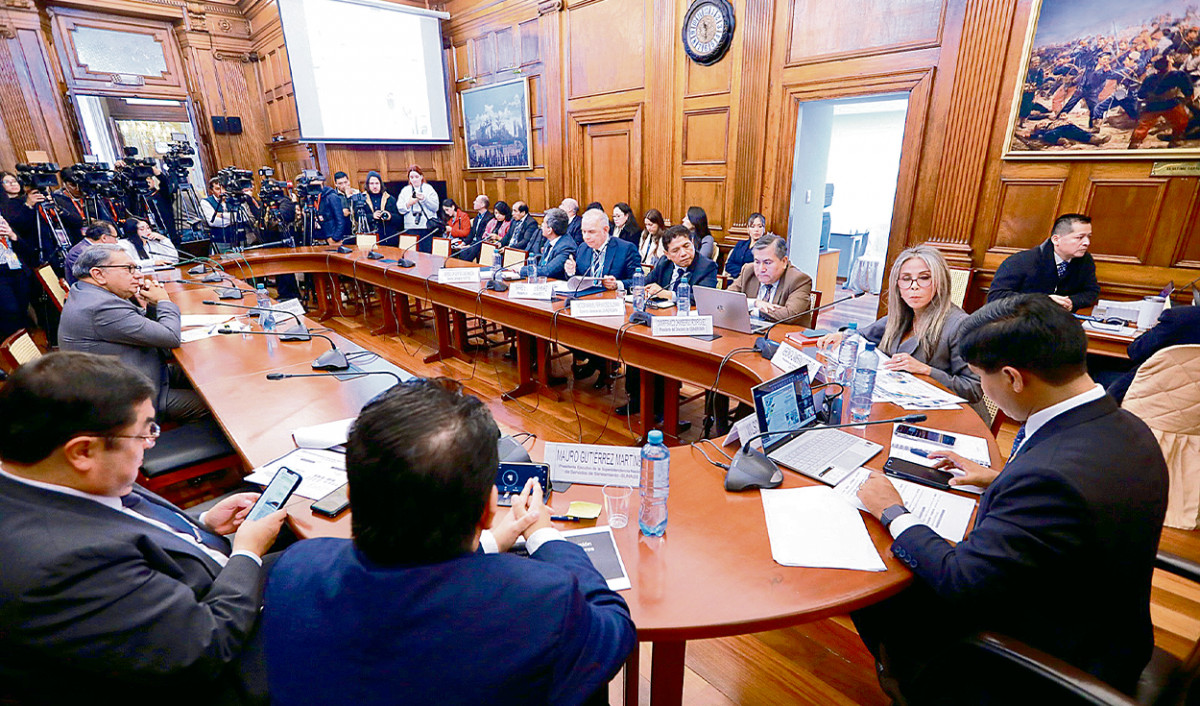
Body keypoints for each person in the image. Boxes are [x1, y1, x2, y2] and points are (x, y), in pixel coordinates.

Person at [850, 295, 1167, 703]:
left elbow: (960, 581)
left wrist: (892, 511)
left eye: (983, 377)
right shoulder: (1126, 425)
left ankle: (912, 680)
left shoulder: (1051, 477)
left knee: (873, 580)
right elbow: (1075, 504)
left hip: (1051, 656)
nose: (984, 387)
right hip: (1106, 621)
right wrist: (997, 480)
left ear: (1013, 378)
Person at [261, 377, 636, 706]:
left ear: (354, 493)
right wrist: (542, 533)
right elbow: (614, 628)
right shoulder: (541, 602)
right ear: (489, 509)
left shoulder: (295, 568)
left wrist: (492, 543)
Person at [0, 351, 286, 705]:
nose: (151, 442)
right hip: (222, 664)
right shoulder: (60, 565)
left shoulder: (59, 475)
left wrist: (203, 524)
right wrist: (247, 552)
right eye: (144, 432)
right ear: (83, 452)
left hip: (209, 584)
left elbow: (129, 528)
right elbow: (204, 649)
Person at [818, 244, 984, 416]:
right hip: (900, 406)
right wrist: (843, 336)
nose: (914, 286)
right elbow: (863, 334)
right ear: (897, 285)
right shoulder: (903, 314)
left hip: (946, 418)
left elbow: (973, 388)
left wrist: (926, 370)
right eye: (906, 278)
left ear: (940, 281)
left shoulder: (960, 325)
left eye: (924, 278)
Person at [58, 244, 208, 422]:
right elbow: (170, 338)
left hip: (144, 373)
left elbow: (155, 335)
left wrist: (152, 304)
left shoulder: (87, 293)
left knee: (208, 372)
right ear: (98, 274)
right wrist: (163, 301)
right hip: (133, 399)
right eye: (128, 269)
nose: (138, 275)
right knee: (219, 406)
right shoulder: (101, 307)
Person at [619, 226, 717, 419]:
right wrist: (645, 289)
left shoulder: (706, 266)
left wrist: (669, 294)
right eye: (676, 250)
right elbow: (646, 281)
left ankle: (662, 408)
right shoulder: (664, 263)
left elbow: (703, 297)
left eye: (687, 246)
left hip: (689, 330)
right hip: (659, 322)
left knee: (659, 353)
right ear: (667, 254)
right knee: (634, 343)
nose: (684, 253)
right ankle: (637, 399)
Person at [567, 209, 641, 386]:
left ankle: (602, 364)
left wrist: (618, 284)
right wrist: (570, 271)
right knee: (563, 328)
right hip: (586, 304)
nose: (586, 236)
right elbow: (580, 277)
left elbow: (639, 280)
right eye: (584, 231)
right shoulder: (583, 248)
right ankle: (598, 362)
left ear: (606, 230)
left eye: (591, 232)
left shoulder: (625, 248)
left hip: (613, 310)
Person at [987, 213, 1099, 312]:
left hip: (1059, 322)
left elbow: (1091, 292)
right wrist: (1042, 300)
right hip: (1019, 322)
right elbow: (996, 296)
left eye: (1089, 237)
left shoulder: (1085, 260)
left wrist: (1071, 302)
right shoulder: (1021, 261)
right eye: (1080, 237)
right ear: (1056, 240)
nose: (1087, 243)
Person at [1105, 303, 1200, 403]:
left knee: (1096, 369)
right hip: (1192, 402)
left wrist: (1154, 328)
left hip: (1147, 395)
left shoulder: (1178, 317)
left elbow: (1135, 352)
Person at [729, 234, 814, 325]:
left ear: (784, 262)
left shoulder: (799, 280)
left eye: (767, 262)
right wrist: (755, 303)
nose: (761, 269)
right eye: (757, 262)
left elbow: (790, 314)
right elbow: (726, 299)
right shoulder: (748, 271)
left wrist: (754, 311)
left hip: (783, 335)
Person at [1129, 55, 1194, 148]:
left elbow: (1141, 94)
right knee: (1181, 121)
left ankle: (1134, 143)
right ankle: (1175, 140)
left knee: (1143, 126)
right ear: (1168, 65)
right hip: (1170, 104)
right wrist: (1188, 97)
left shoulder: (1150, 78)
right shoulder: (1178, 75)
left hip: (1153, 106)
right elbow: (1187, 89)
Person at [0, 214, 32, 341]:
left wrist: (12, 235)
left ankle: (26, 343)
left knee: (22, 307)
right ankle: (15, 346)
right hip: (1, 276)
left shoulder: (3, 219)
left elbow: (25, 249)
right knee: (10, 309)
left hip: (16, 269)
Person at [396, 164, 440, 252]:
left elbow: (435, 207)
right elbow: (400, 208)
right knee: (412, 253)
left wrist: (424, 199)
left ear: (421, 177)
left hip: (427, 228)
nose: (414, 179)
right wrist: (409, 203)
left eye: (416, 176)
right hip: (411, 228)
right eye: (411, 177)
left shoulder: (428, 189)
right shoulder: (405, 190)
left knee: (427, 254)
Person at [64, 220, 119, 285]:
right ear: (104, 238)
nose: (116, 242)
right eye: (115, 238)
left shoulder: (98, 249)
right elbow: (91, 280)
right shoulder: (78, 253)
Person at [725, 213, 770, 278]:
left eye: (760, 226)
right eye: (752, 226)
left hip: (752, 281)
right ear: (748, 229)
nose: (756, 230)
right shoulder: (740, 244)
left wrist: (743, 271)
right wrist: (742, 270)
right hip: (734, 279)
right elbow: (728, 265)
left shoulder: (765, 248)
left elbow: (759, 269)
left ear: (764, 229)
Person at [534, 207, 574, 281]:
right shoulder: (550, 240)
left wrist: (521, 269)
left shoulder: (566, 247)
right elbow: (542, 265)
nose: (541, 225)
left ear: (550, 230)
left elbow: (547, 271)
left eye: (543, 223)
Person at [359, 171, 401, 243]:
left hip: (388, 238)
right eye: (372, 183)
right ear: (367, 185)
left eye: (377, 183)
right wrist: (372, 216)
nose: (375, 186)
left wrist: (390, 216)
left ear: (381, 184)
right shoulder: (361, 199)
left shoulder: (390, 199)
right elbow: (357, 218)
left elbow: (399, 219)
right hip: (369, 238)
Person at [453, 194, 493, 262]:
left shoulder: (489, 218)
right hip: (473, 242)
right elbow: (471, 233)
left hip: (480, 243)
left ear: (483, 204)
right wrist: (464, 243)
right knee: (462, 251)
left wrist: (469, 246)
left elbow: (482, 237)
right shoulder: (477, 218)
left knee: (468, 251)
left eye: (476, 201)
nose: (474, 202)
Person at [201, 177, 238, 247]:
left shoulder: (233, 200)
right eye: (218, 189)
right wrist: (232, 220)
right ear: (211, 190)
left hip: (237, 239)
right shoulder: (206, 202)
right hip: (220, 240)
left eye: (223, 188)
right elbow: (213, 222)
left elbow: (241, 217)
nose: (222, 192)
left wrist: (222, 215)